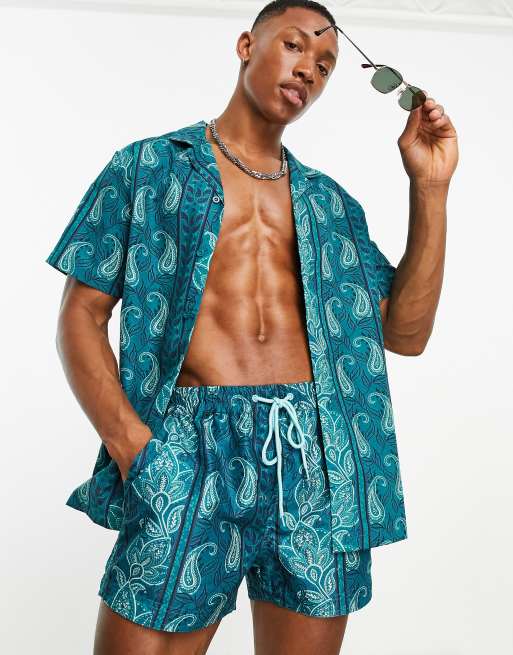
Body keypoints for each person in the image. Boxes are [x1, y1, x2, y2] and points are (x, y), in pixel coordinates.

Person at [46, 1, 458, 653]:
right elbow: (81, 314)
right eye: (294, 45)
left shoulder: (330, 204)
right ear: (246, 45)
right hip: (186, 447)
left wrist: (429, 189)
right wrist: (135, 449)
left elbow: (406, 334)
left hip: (314, 454)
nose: (308, 69)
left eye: (325, 64)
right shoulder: (147, 167)